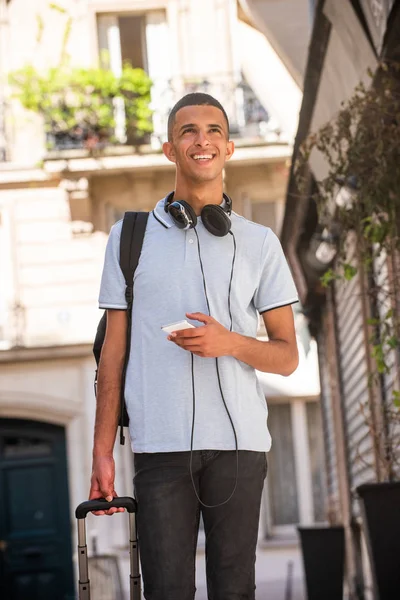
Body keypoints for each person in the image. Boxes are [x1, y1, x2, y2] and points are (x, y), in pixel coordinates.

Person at [90, 92, 299, 600]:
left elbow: (288, 356)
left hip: (239, 445)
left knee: (234, 590)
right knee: (167, 592)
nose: (200, 140)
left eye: (212, 131)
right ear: (169, 149)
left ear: (228, 149)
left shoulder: (260, 242)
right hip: (159, 445)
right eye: (188, 131)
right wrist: (101, 450)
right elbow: (112, 357)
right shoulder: (128, 238)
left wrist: (229, 342)